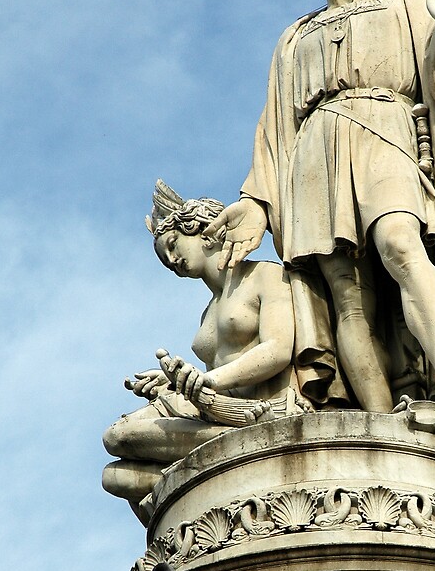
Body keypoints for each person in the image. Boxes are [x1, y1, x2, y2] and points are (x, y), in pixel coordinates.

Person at [204, 0, 435, 412]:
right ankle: (381, 418)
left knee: (401, 243)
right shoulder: (295, 37)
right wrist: (258, 201)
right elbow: (275, 128)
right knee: (348, 298)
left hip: (385, 129)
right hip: (315, 154)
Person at [102, 182, 296, 517]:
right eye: (165, 260)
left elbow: (278, 349)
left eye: (173, 245)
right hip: (213, 407)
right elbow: (214, 372)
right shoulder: (208, 312)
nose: (172, 260)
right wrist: (174, 382)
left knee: (119, 437)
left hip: (255, 406)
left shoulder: (265, 275)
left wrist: (208, 382)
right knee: (116, 476)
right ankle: (219, 468)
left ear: (201, 229)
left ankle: (241, 444)